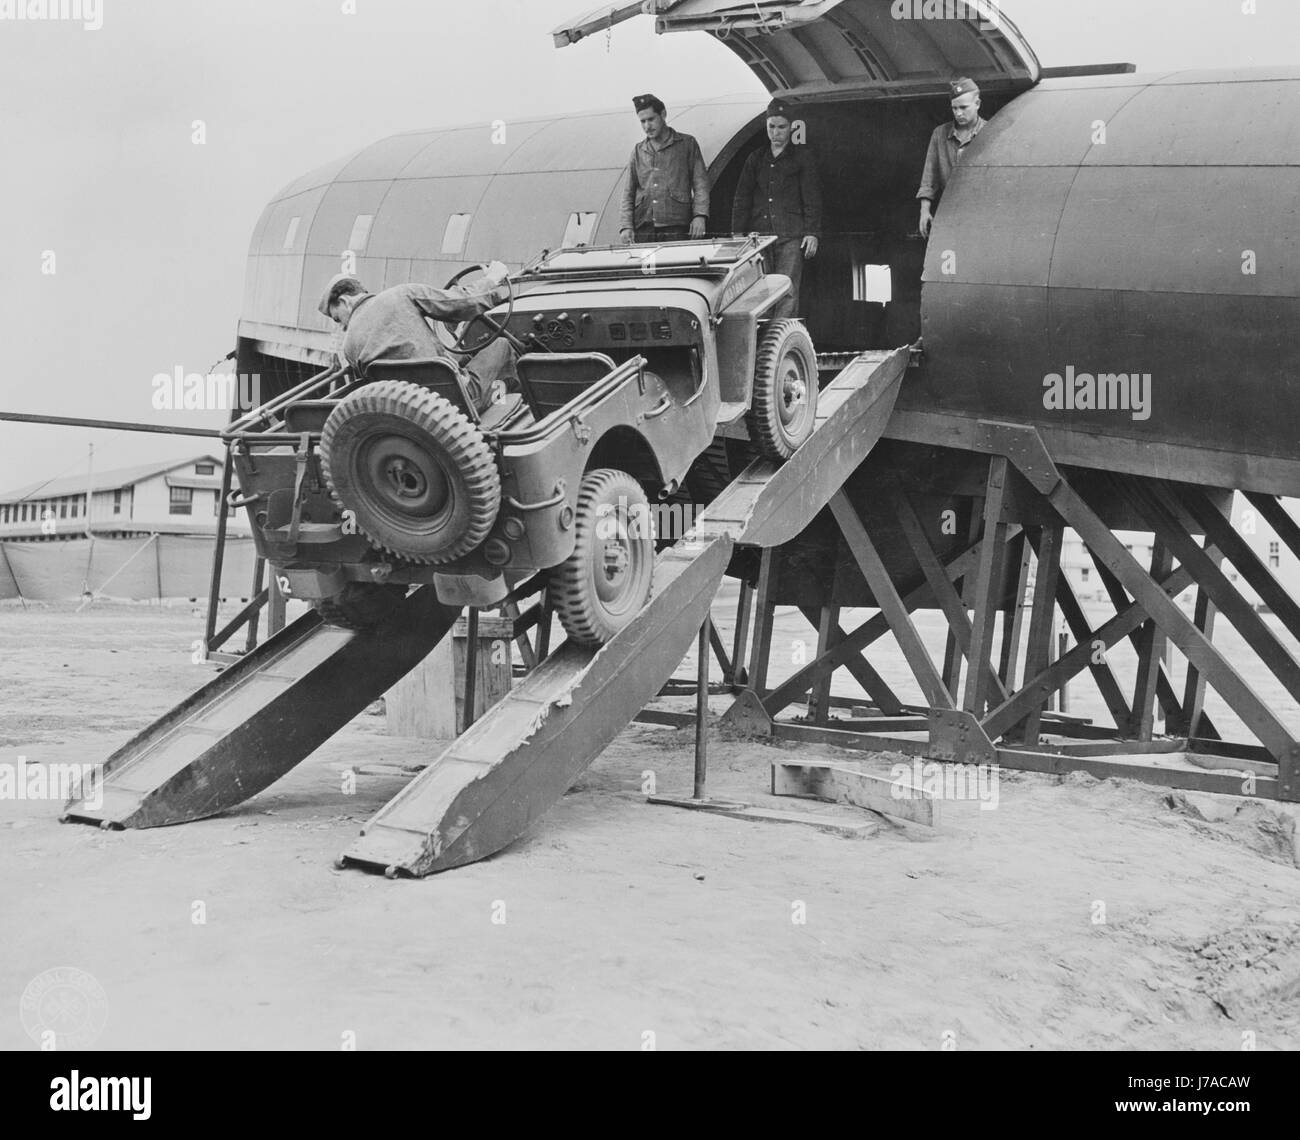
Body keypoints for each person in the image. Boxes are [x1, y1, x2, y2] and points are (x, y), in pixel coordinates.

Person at [318, 264, 516, 415]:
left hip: (411, 416)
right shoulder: (401, 294)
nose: (344, 327)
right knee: (502, 344)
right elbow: (461, 303)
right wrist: (492, 278)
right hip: (460, 404)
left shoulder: (349, 347)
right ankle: (515, 408)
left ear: (344, 301)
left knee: (465, 354)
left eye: (338, 319)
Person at [731, 99, 822, 319]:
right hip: (759, 235)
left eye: (781, 127)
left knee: (787, 288)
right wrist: (737, 233)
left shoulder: (802, 158)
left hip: (791, 235)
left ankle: (781, 340)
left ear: (791, 127)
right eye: (771, 126)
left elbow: (812, 197)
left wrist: (812, 232)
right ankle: (763, 342)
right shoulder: (756, 158)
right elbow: (742, 196)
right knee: (761, 289)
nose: (776, 132)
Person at [618, 94, 710, 244]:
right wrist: (626, 227)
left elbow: (700, 184)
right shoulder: (638, 151)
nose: (647, 126)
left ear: (663, 114)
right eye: (643, 121)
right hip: (644, 228)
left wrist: (700, 216)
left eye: (651, 119)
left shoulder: (687, 144)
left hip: (678, 228)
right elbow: (628, 193)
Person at [917, 77, 988, 239]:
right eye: (954, 108)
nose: (958, 113)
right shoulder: (939, 134)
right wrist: (924, 211)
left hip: (981, 215)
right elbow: (929, 177)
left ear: (977, 104)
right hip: (948, 215)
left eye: (963, 107)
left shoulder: (990, 132)